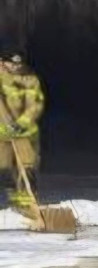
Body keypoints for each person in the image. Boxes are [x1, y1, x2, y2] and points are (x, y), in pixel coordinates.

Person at [0, 50, 45, 220]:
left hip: (24, 135)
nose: (16, 67)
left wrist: (20, 125)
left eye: (19, 64)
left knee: (26, 170)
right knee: (6, 172)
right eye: (12, 63)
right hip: (2, 136)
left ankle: (30, 208)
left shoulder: (30, 80)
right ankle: (16, 206)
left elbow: (35, 105)